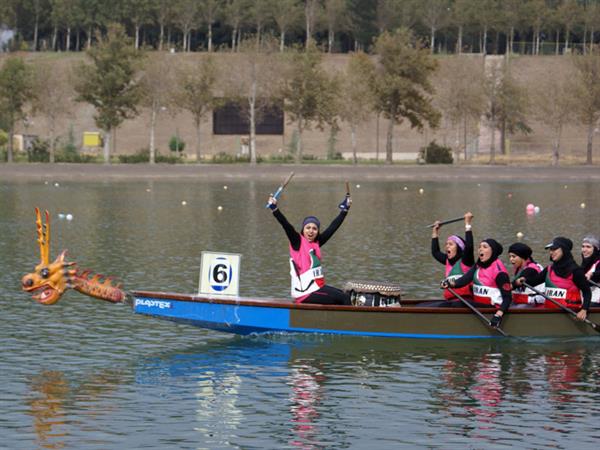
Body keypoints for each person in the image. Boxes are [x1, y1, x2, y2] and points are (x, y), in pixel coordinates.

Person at [267, 191, 352, 305]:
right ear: (303, 229)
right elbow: (286, 225)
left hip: (316, 288)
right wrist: (275, 209)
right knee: (344, 299)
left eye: (314, 228)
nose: (311, 231)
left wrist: (344, 211)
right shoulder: (297, 241)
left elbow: (333, 227)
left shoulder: (316, 243)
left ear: (317, 232)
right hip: (305, 292)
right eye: (308, 228)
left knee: (345, 294)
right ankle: (350, 323)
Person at [516, 236, 592, 321]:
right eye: (550, 250)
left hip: (570, 313)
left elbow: (587, 292)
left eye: (554, 249)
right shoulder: (549, 269)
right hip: (550, 310)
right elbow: (534, 282)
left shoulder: (576, 271)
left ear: (564, 250)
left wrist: (584, 310)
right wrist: (524, 281)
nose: (551, 252)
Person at [442, 238, 512, 328]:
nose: (480, 249)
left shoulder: (499, 272)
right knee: (448, 303)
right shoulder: (478, 265)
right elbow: (465, 279)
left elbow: (507, 298)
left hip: (492, 308)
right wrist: (450, 284)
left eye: (485, 247)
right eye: (479, 247)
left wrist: (498, 315)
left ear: (493, 251)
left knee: (457, 304)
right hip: (478, 305)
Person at [431, 212, 474, 303]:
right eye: (446, 244)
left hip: (465, 302)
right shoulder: (447, 261)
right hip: (451, 301)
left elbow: (469, 246)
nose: (447, 246)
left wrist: (467, 224)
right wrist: (435, 231)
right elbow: (435, 252)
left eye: (451, 244)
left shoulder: (466, 261)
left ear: (459, 247)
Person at [507, 242, 545, 307]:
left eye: (513, 256)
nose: (511, 259)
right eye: (510, 256)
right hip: (524, 300)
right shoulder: (520, 268)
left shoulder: (531, 269)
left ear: (522, 257)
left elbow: (515, 284)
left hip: (536, 303)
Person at [580, 235, 600, 305]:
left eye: (588, 247)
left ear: (596, 249)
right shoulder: (585, 263)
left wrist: (591, 274)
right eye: (583, 246)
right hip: (588, 293)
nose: (584, 250)